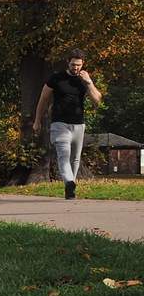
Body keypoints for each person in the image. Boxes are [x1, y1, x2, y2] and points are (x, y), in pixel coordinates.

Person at [34, 50, 103, 199]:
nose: (75, 68)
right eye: (73, 64)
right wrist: (37, 120)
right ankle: (70, 182)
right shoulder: (56, 78)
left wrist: (89, 82)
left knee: (75, 159)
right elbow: (43, 99)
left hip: (79, 125)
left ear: (82, 64)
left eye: (78, 65)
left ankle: (69, 186)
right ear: (68, 62)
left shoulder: (84, 80)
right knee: (63, 156)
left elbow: (97, 100)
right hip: (60, 124)